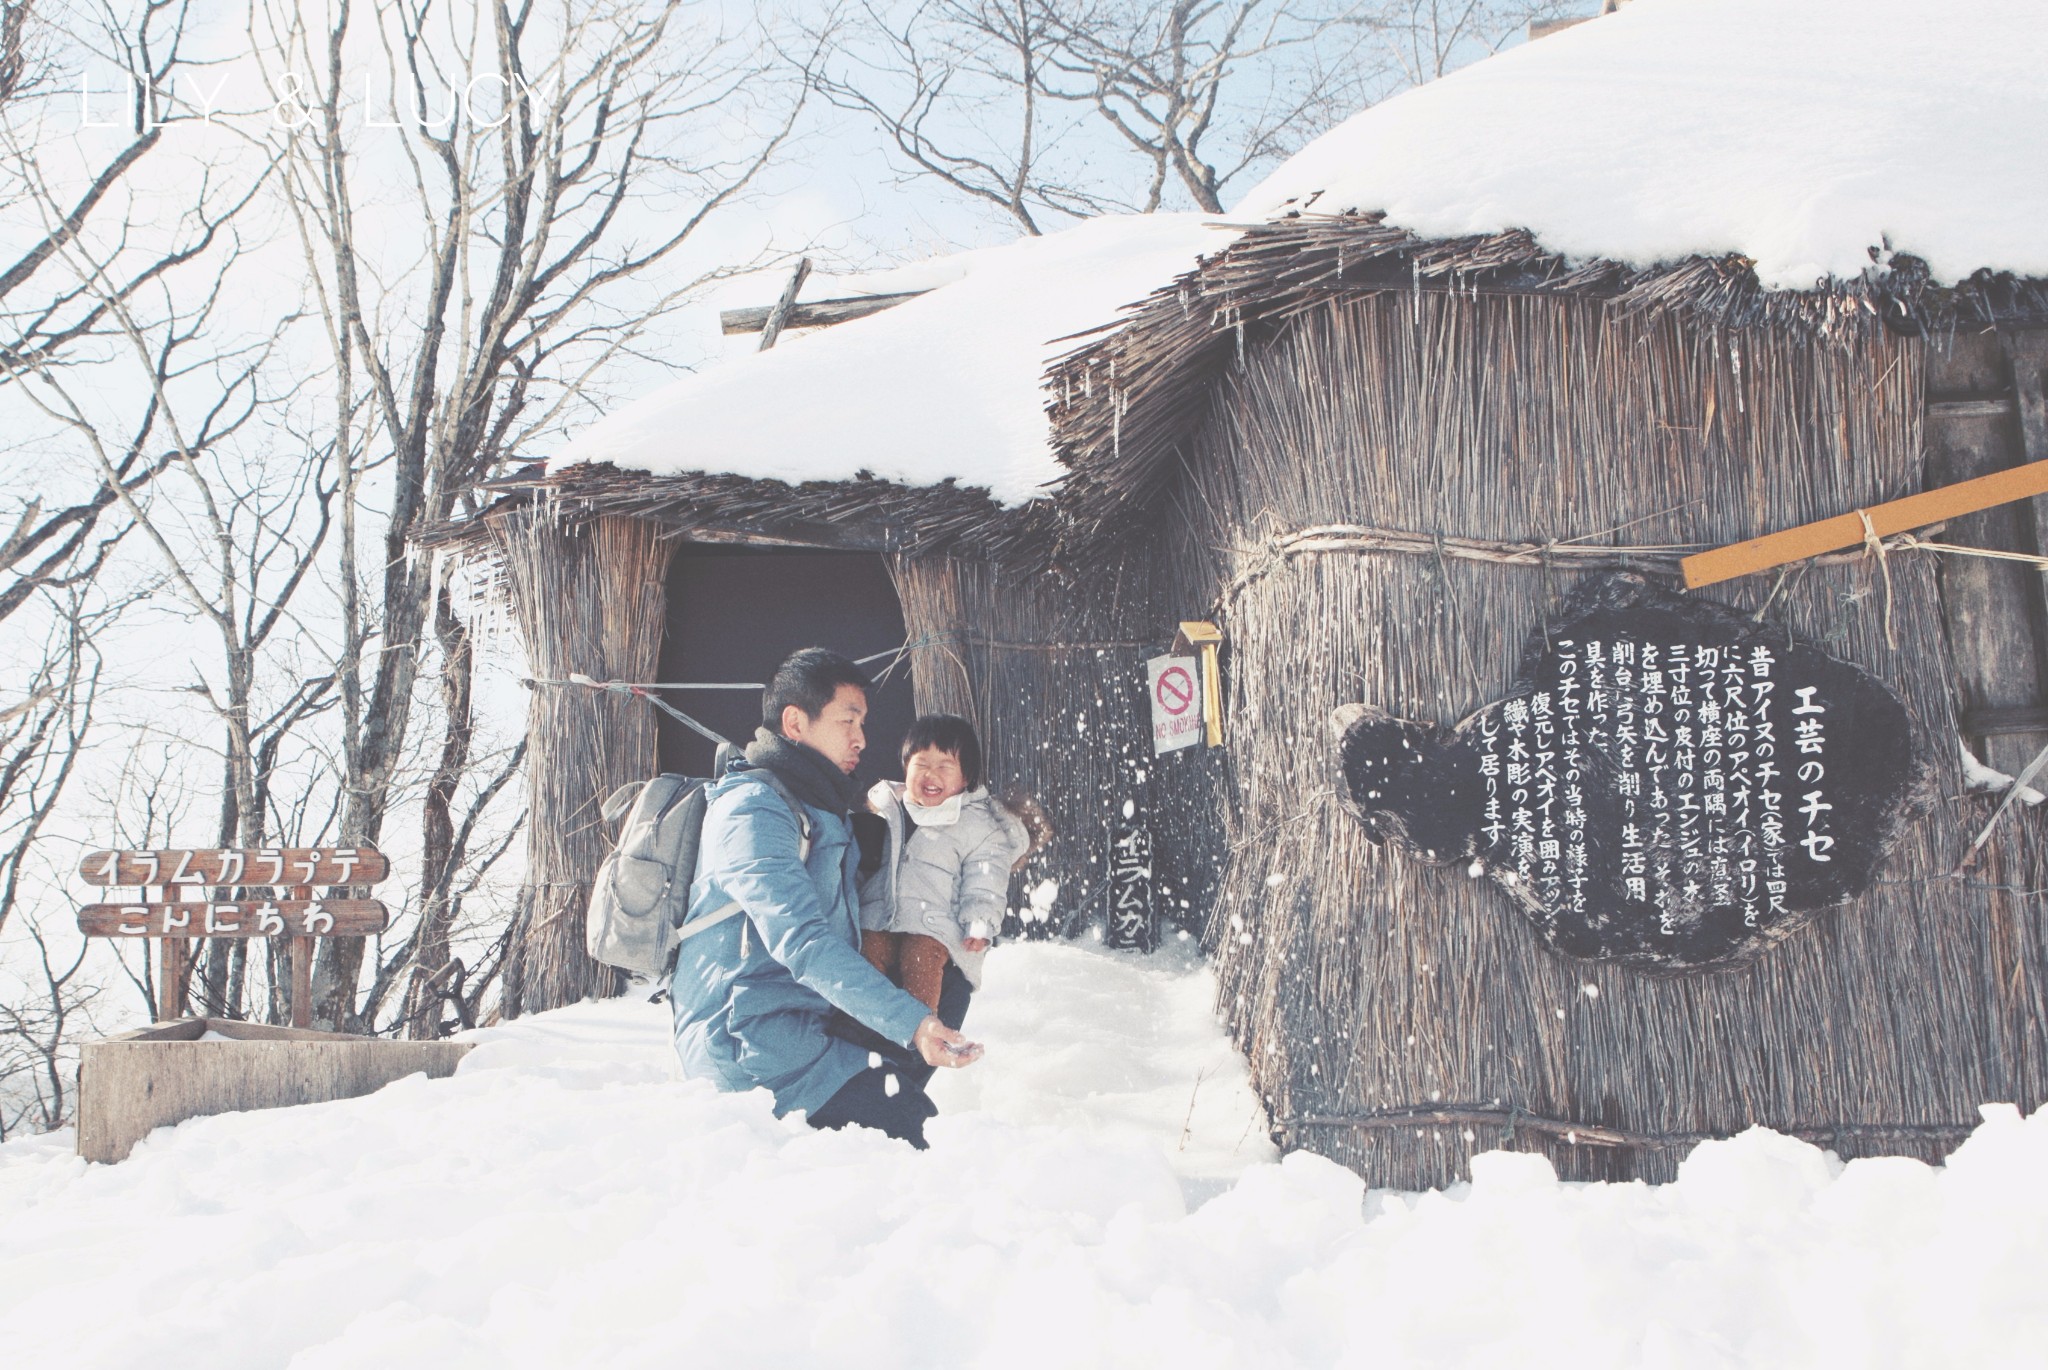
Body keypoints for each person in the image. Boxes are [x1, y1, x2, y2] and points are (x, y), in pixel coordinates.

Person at [668, 648, 979, 1148]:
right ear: (795, 722)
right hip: (750, 1042)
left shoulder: (819, 809)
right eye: (847, 720)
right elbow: (804, 943)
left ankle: (874, 1097)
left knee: (950, 983)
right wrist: (913, 1024)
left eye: (863, 722)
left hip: (807, 1017)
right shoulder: (751, 811)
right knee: (911, 1126)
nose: (861, 738)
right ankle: (866, 1117)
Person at [858, 715, 1030, 1023]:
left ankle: (920, 1029)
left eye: (944, 766)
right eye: (921, 764)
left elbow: (985, 881)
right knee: (865, 951)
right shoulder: (890, 812)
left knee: (920, 956)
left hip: (934, 925)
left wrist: (979, 923)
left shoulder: (978, 825)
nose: (930, 774)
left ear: (966, 778)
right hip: (881, 917)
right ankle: (860, 1025)